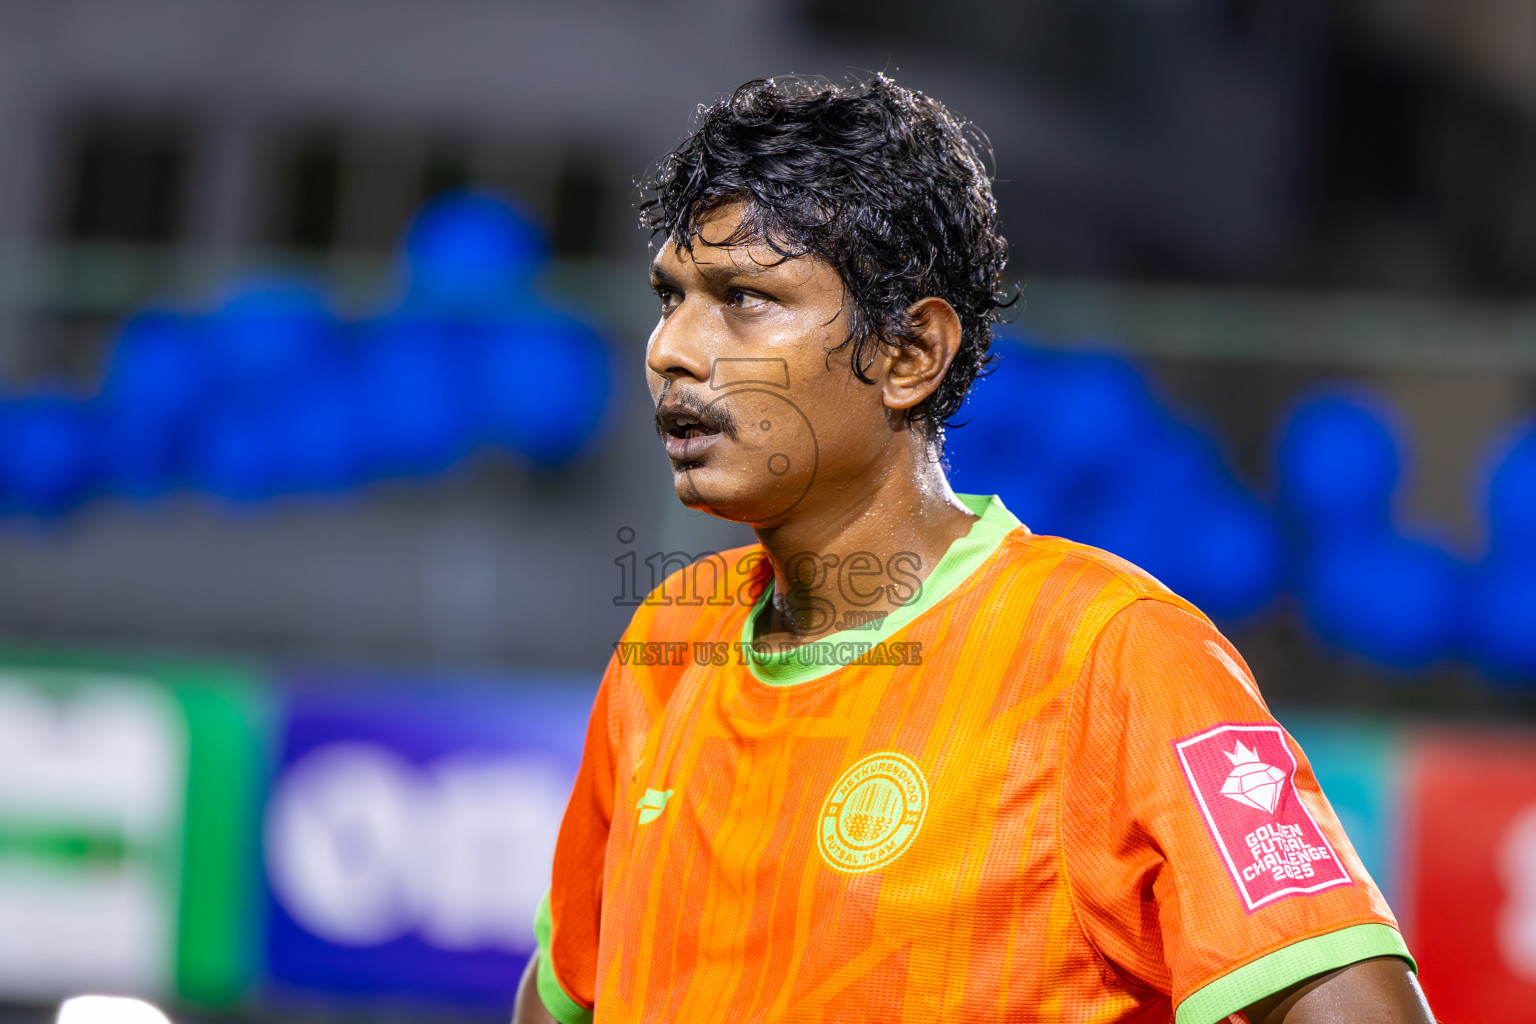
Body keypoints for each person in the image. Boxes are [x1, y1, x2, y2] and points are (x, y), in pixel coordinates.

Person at [512, 75, 1434, 1024]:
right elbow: (564, 994)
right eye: (672, 295)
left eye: (744, 298)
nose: (672, 347)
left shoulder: (1112, 656)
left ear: (909, 355)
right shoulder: (670, 639)